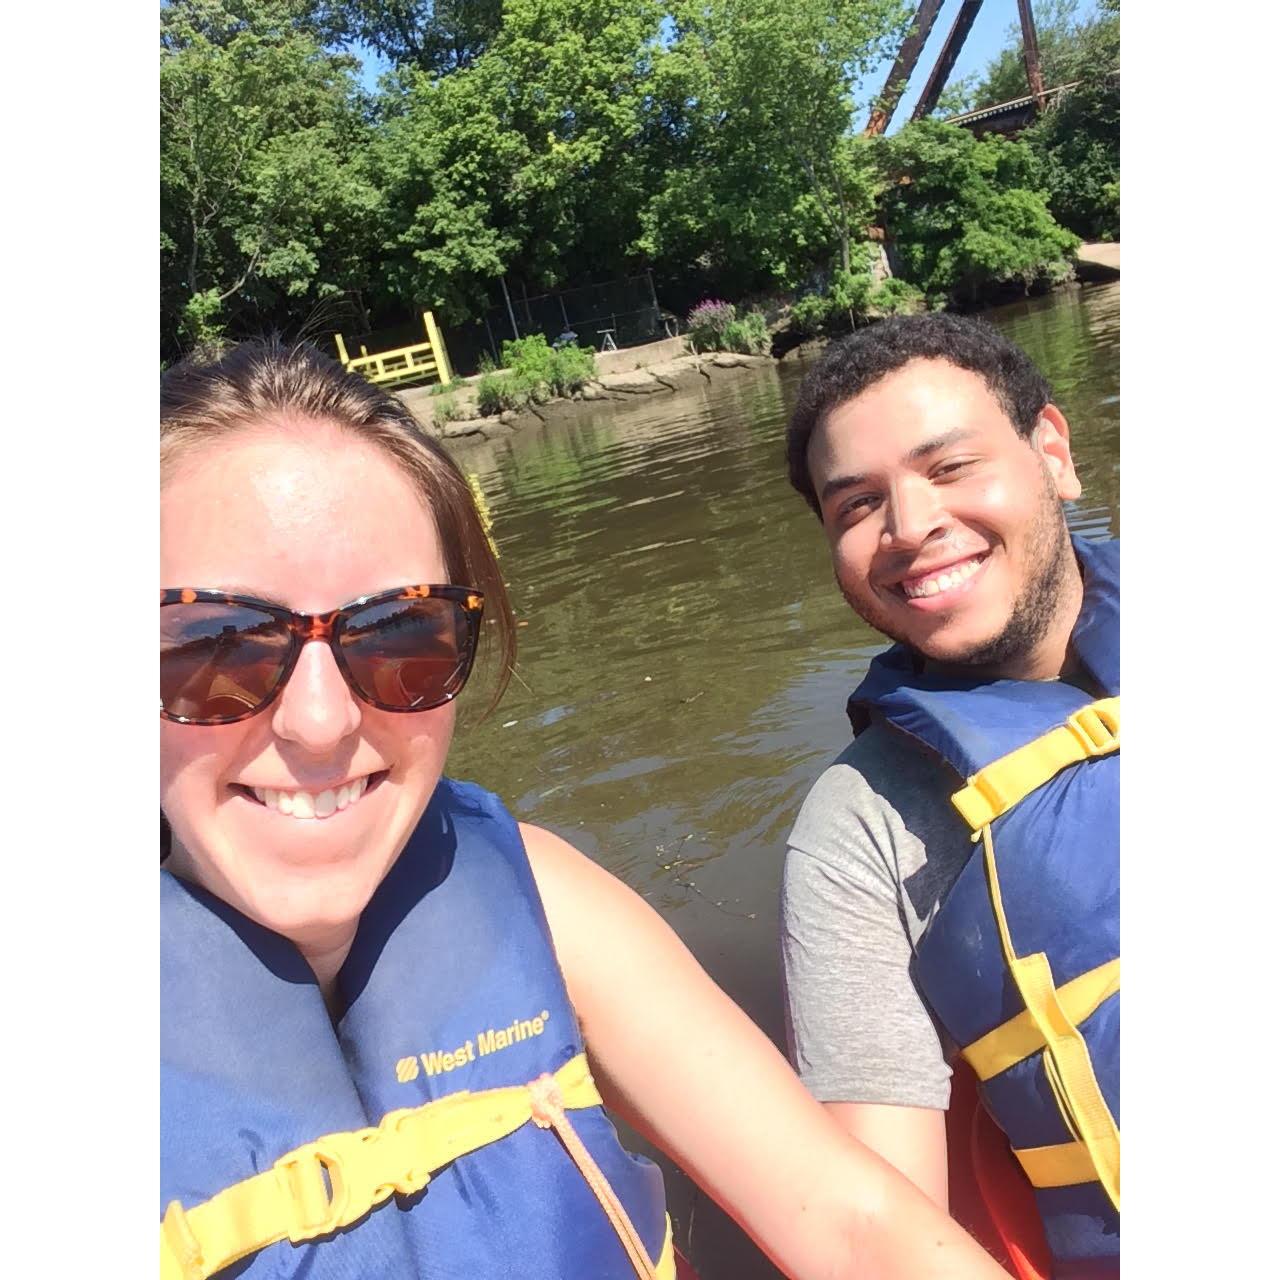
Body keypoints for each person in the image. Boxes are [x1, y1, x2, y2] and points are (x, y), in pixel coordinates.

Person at [159, 338, 1006, 1280]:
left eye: (403, 633)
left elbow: (850, 1222)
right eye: (216, 644)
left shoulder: (537, 896)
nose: (319, 722)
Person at [780, 314, 1119, 1279]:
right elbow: (881, 1227)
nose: (912, 525)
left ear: (1052, 451)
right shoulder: (859, 837)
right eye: (856, 506)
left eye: (953, 466)